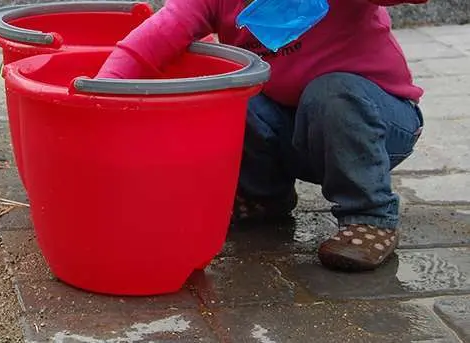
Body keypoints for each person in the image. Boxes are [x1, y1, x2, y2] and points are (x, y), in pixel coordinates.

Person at [96, 0, 427, 272]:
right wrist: (101, 93)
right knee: (236, 95)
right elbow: (157, 36)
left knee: (332, 93)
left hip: (378, 123)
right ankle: (263, 197)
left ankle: (369, 215)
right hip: (295, 128)